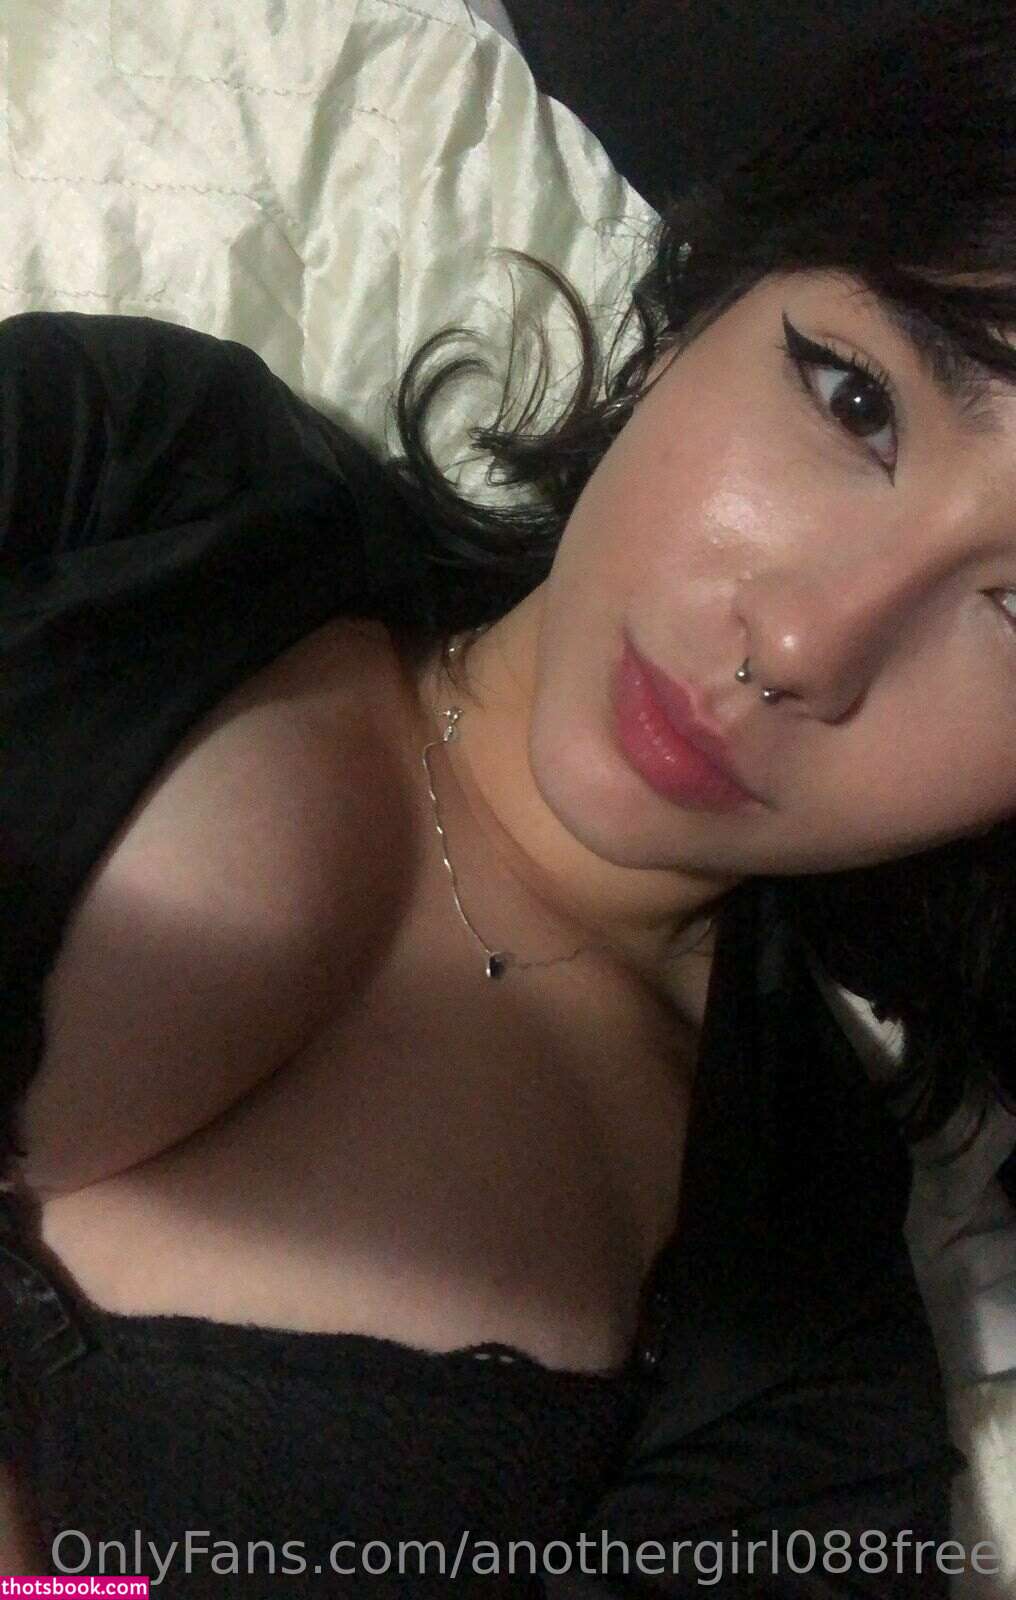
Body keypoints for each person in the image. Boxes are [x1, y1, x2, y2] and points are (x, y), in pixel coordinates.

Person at [0, 0, 1012, 1590]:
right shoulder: (147, 466)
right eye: (855, 401)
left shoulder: (792, 1347)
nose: (805, 644)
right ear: (709, 302)